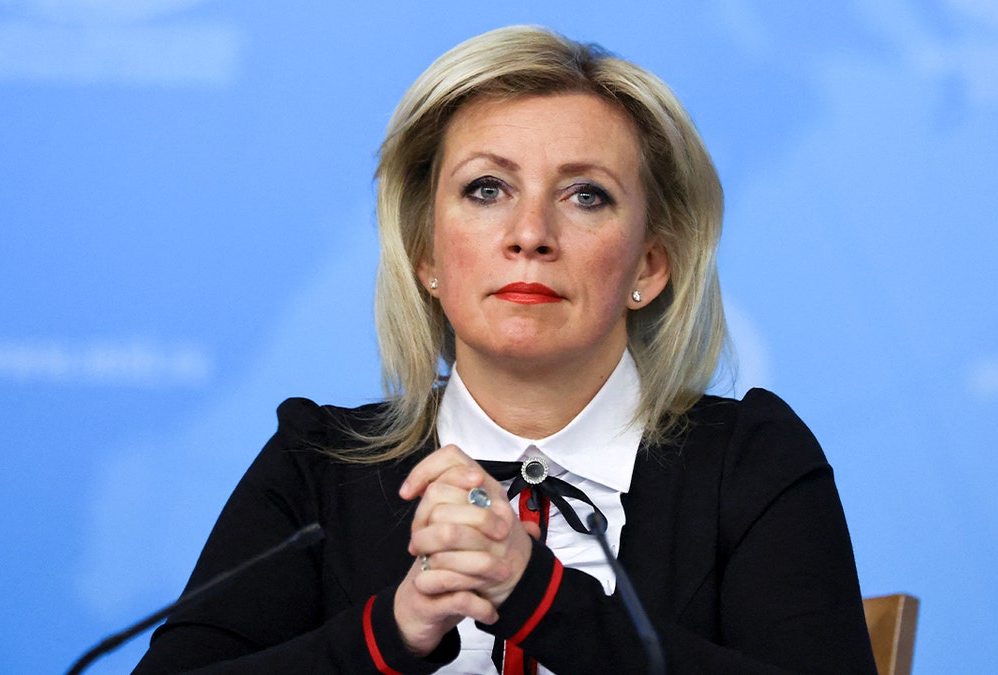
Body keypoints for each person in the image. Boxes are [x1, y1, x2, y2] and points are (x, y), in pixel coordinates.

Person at [135, 25, 876, 674]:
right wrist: (390, 631)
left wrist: (538, 593)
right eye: (487, 189)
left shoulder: (750, 462)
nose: (531, 233)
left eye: (586, 194)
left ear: (650, 264)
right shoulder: (316, 465)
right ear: (427, 252)